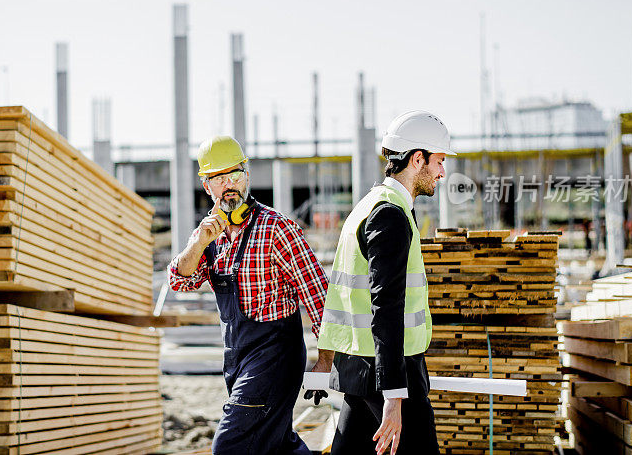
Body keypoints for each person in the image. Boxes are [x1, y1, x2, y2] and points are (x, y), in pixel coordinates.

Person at [167, 135, 333, 455]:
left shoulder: (277, 229)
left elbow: (320, 299)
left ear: (247, 174)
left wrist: (325, 362)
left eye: (235, 175)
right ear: (206, 185)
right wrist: (198, 243)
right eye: (219, 178)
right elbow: (179, 282)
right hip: (237, 360)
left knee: (230, 446)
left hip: (277, 359)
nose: (229, 184)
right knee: (275, 445)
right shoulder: (208, 236)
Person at [317, 110, 456, 455]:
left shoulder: (368, 206)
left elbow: (345, 298)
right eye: (438, 161)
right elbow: (386, 307)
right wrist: (395, 396)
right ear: (417, 158)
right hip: (391, 376)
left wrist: (325, 359)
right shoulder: (389, 214)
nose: (442, 171)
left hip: (360, 370)